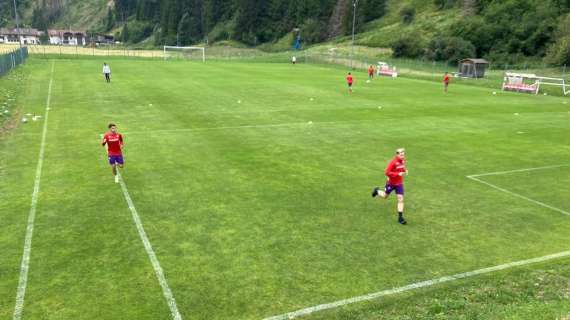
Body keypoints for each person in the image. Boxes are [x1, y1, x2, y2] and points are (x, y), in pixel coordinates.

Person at [371, 148, 408, 225]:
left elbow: (402, 168)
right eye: (401, 154)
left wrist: (405, 170)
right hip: (391, 183)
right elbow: (387, 172)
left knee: (400, 199)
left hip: (399, 184)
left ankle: (400, 218)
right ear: (397, 154)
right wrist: (397, 174)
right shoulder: (393, 162)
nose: (402, 156)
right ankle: (377, 191)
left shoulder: (403, 161)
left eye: (403, 154)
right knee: (385, 196)